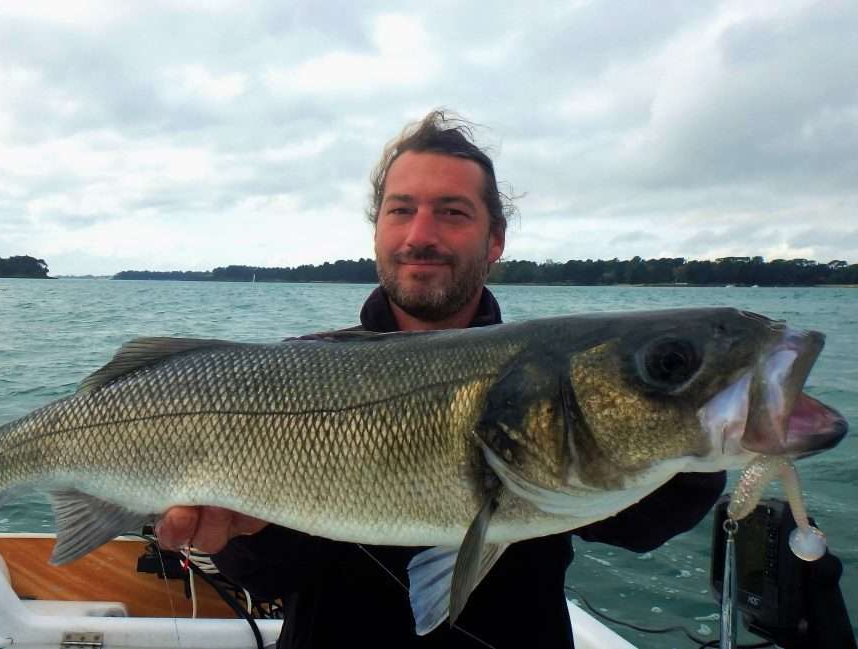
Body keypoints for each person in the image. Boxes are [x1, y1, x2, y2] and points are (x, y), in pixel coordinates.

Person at [154, 110, 726, 648]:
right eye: (401, 210)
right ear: (377, 231)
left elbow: (640, 528)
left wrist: (700, 431)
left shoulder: (551, 373)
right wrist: (237, 535)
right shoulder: (295, 373)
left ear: (495, 239)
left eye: (452, 212)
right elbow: (266, 578)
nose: (420, 236)